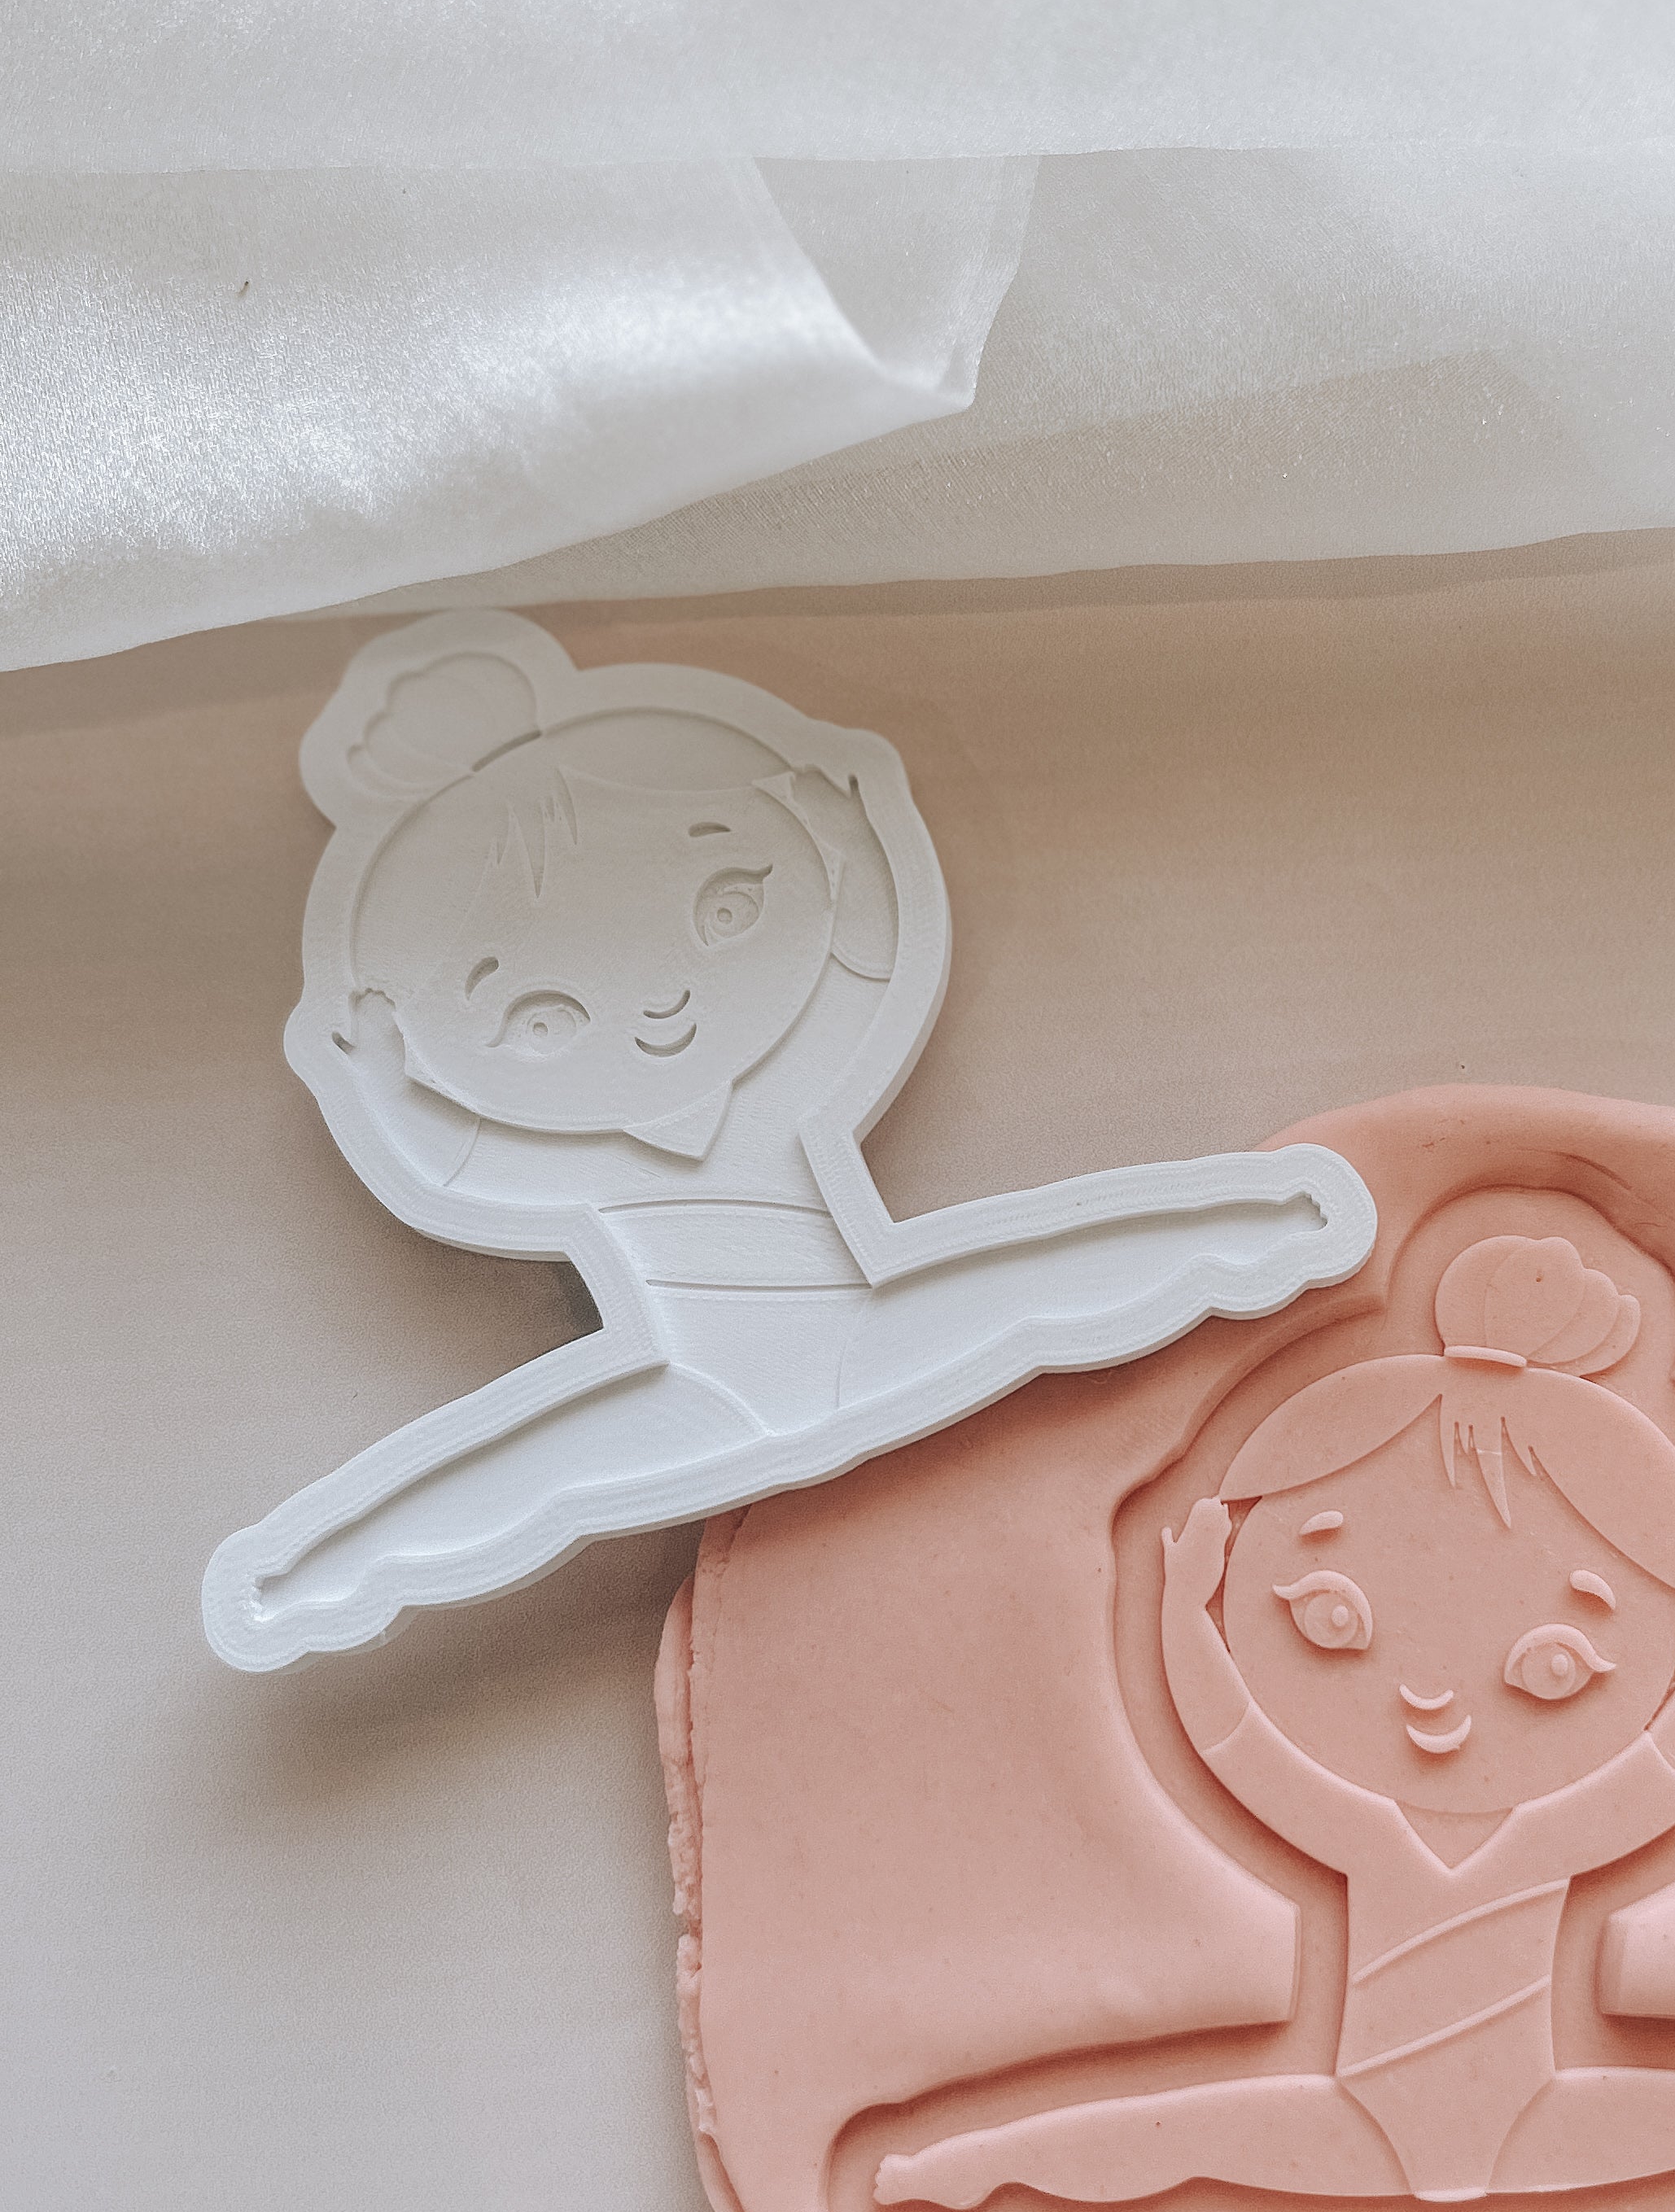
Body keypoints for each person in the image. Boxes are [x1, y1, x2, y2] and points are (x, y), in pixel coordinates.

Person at [202, 615, 1374, 1670]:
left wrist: (848, 835)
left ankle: (1250, 1226)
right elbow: (459, 1170)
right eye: (541, 1019)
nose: (662, 1010)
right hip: (697, 1387)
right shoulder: (548, 1163)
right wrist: (379, 1083)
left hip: (866, 1331)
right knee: (526, 1481)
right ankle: (314, 1572)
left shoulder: (799, 1063)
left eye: (725, 906)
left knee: (1030, 1293)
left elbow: (864, 974)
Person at [877, 1235, 1675, 2210]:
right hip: (1354, 2125)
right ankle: (955, 2176)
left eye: (1555, 1666)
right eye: (1330, 1620)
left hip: (1534, 2121)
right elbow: (1236, 1742)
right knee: (1174, 2150)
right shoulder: (1371, 1832)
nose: (1431, 1698)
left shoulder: (1542, 1839)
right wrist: (1184, 1610)